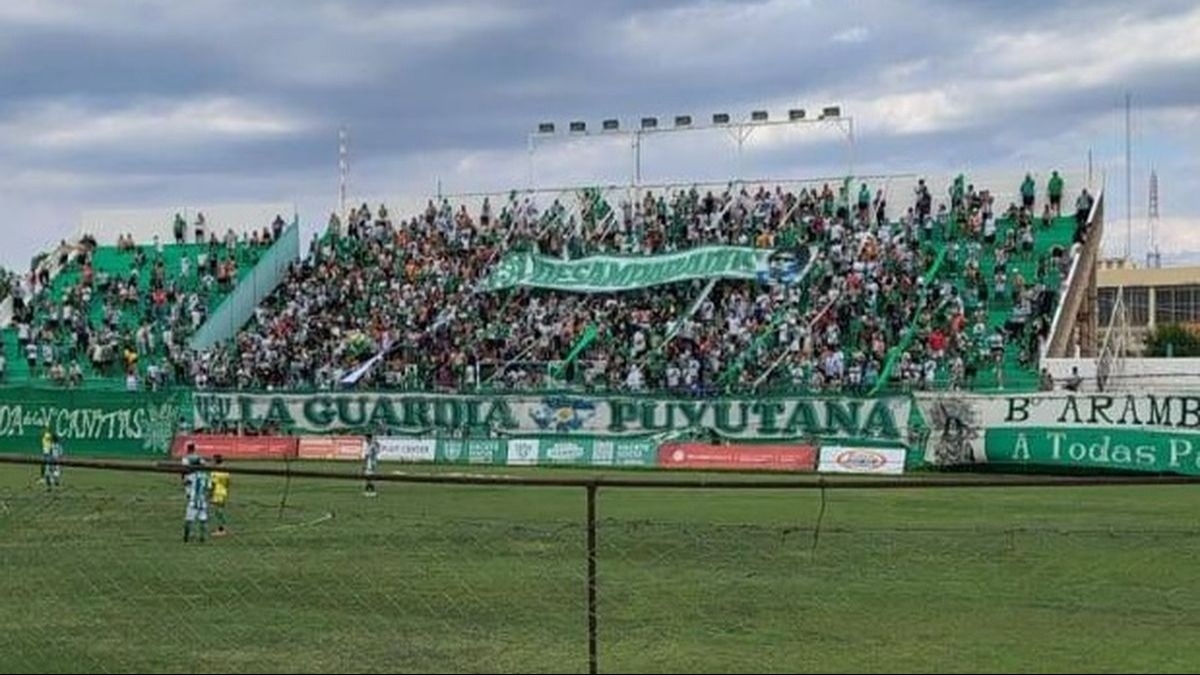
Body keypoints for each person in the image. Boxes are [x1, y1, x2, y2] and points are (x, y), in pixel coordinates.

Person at [183, 458, 211, 544]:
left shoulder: (192, 475)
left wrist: (188, 491)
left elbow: (186, 483)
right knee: (203, 520)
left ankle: (186, 537)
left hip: (193, 501)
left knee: (188, 520)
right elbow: (209, 489)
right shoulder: (207, 476)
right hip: (203, 501)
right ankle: (202, 537)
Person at [210, 455, 230, 537]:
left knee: (218, 511)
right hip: (224, 492)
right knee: (220, 510)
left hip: (217, 493)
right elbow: (228, 482)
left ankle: (221, 529)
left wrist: (210, 494)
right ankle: (223, 528)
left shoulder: (215, 472)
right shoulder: (225, 471)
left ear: (215, 461)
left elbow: (213, 484)